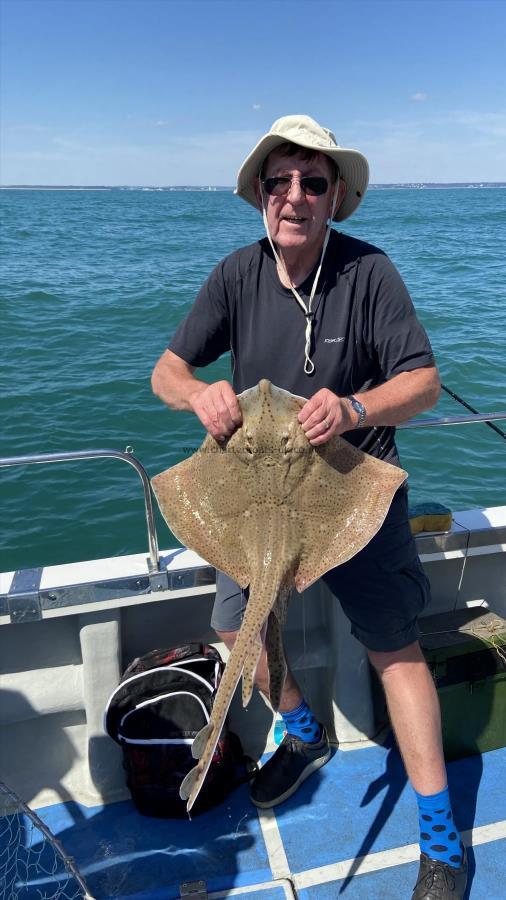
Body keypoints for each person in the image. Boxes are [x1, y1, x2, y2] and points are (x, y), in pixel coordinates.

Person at [151, 115, 467, 899]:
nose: (294, 196)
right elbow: (165, 371)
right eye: (279, 180)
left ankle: (439, 837)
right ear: (260, 193)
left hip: (352, 495)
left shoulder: (371, 274)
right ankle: (303, 731)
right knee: (235, 625)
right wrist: (199, 394)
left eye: (312, 182)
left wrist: (357, 409)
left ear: (335, 198)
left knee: (393, 649)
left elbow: (421, 385)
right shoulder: (236, 275)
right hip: (256, 498)